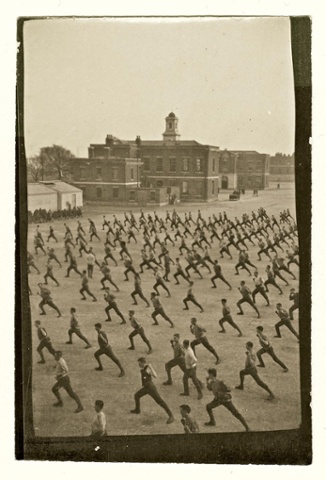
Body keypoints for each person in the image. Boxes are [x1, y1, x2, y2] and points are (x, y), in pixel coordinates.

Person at [130, 357, 174, 424]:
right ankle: (137, 410)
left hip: (151, 388)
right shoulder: (143, 369)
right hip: (146, 388)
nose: (138, 365)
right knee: (136, 395)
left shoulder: (147, 368)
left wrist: (151, 367)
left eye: (139, 363)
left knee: (160, 401)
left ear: (142, 363)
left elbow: (155, 376)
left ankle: (171, 416)